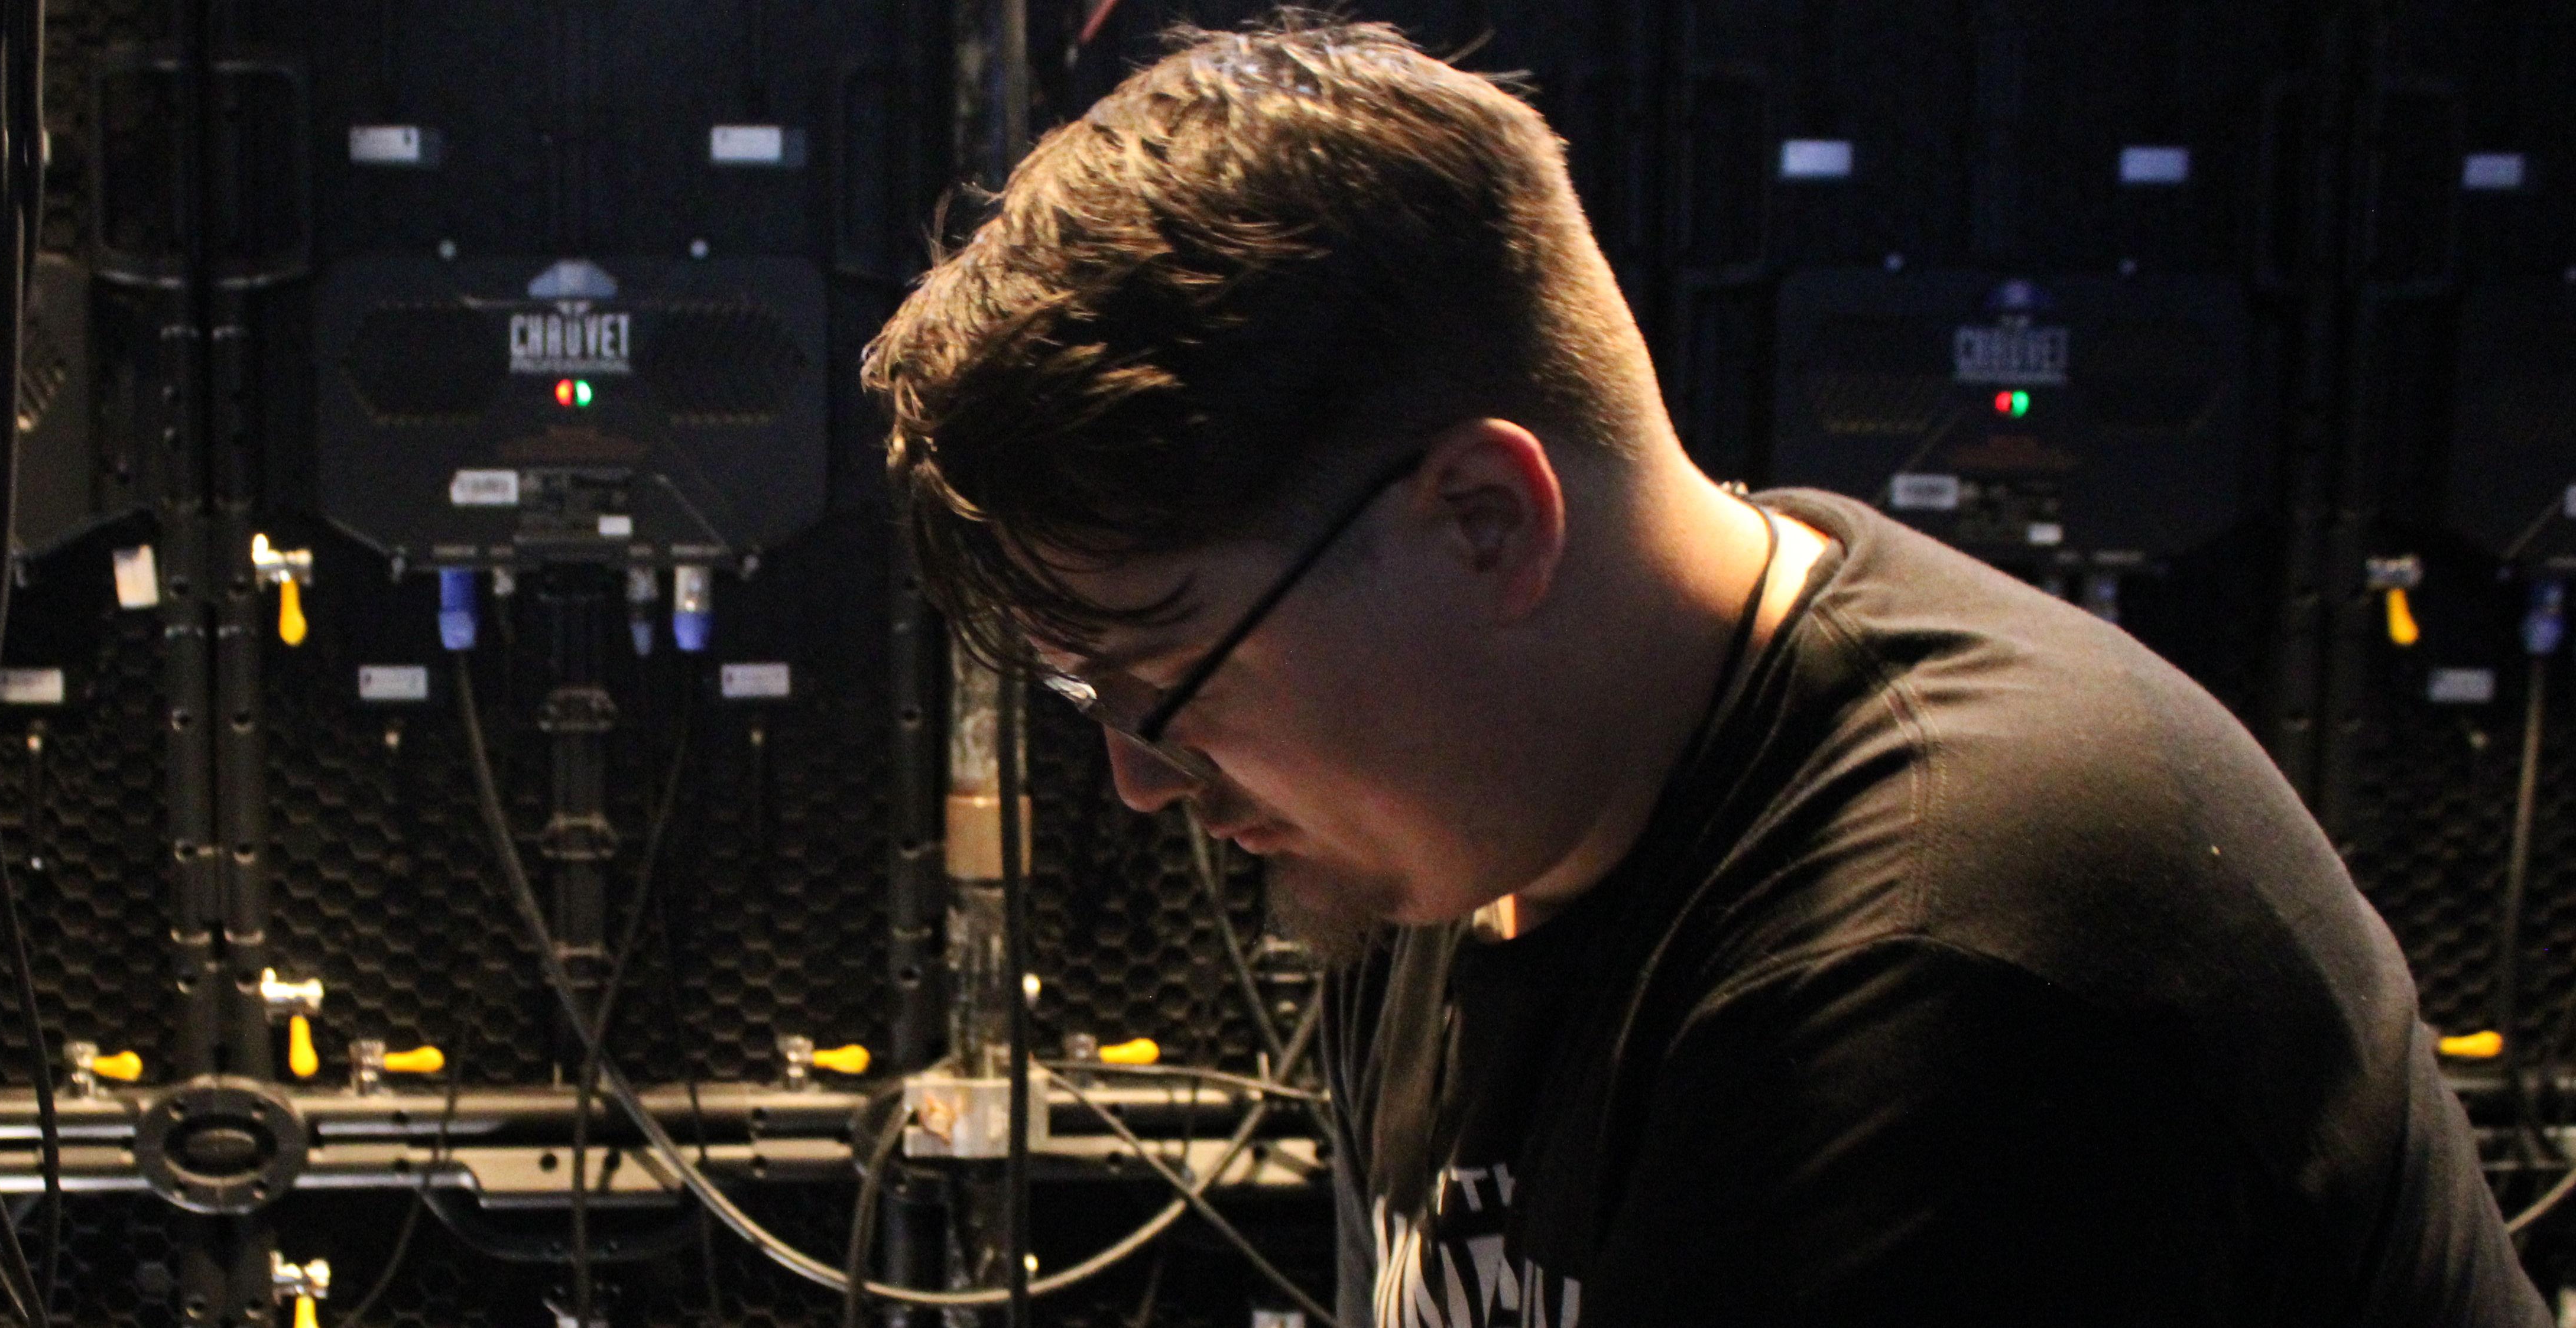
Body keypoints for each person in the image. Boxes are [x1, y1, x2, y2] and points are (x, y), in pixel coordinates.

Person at [861, 15, 2542, 1326]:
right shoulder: (1476, 820)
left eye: (1168, 677)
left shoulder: (1950, 956)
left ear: (1484, 524)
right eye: (1091, 695)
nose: (1140, 779)